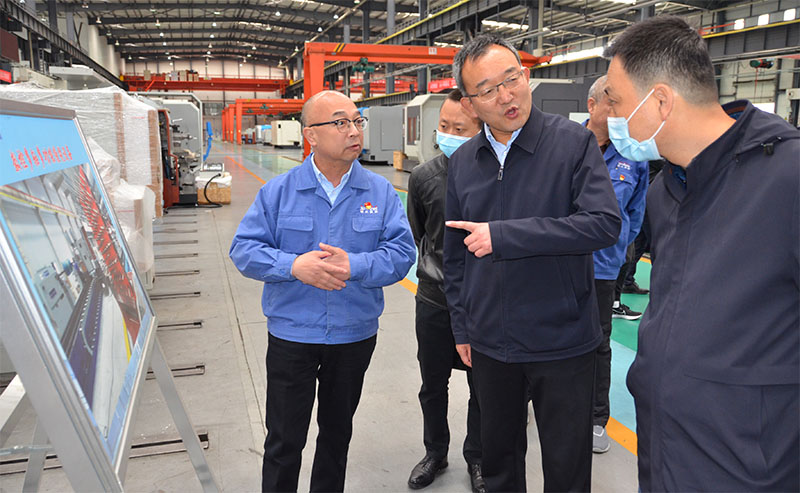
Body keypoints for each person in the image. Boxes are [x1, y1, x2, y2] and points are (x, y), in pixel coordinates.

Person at [604, 16, 799, 491]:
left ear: (660, 101)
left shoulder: (787, 178)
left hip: (750, 470)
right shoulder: (668, 190)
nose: (610, 116)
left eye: (616, 101)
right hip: (665, 453)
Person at [443, 34, 621, 492]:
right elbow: (455, 258)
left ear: (526, 77)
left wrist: (505, 236)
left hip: (563, 340)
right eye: (488, 90)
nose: (506, 96)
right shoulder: (463, 164)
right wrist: (462, 328)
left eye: (512, 79)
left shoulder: (573, 144)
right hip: (491, 344)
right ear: (470, 104)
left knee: (567, 466)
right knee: (499, 463)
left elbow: (603, 224)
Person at [229, 90, 416, 492]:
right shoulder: (278, 192)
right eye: (340, 122)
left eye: (357, 121)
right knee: (284, 439)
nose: (354, 131)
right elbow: (244, 250)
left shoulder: (379, 192)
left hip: (353, 335)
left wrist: (357, 265)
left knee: (336, 436)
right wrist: (293, 266)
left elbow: (402, 255)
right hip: (292, 335)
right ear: (311, 135)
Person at [406, 89, 485, 492]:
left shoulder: (496, 176)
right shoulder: (423, 178)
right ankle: (435, 452)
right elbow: (421, 234)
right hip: (434, 300)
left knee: (482, 387)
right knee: (432, 384)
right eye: (444, 126)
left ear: (481, 130)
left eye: (460, 128)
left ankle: (478, 458)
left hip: (482, 304)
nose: (449, 134)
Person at [584, 75, 649, 453]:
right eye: (614, 104)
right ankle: (531, 396)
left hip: (603, 266)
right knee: (544, 332)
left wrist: (620, 246)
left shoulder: (633, 156)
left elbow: (635, 213)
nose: (622, 113)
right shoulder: (564, 145)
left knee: (598, 344)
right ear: (592, 105)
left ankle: (596, 419)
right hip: (557, 262)